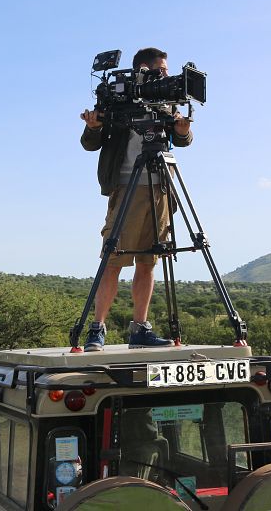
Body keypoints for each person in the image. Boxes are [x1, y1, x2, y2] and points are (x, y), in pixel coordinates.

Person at [79, 47, 193, 351]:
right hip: (127, 186)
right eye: (164, 69)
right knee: (113, 259)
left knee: (148, 261)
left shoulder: (165, 101)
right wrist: (93, 126)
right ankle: (97, 329)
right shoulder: (118, 99)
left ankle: (140, 329)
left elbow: (182, 138)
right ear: (146, 69)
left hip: (160, 188)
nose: (168, 75)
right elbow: (89, 143)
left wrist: (182, 131)